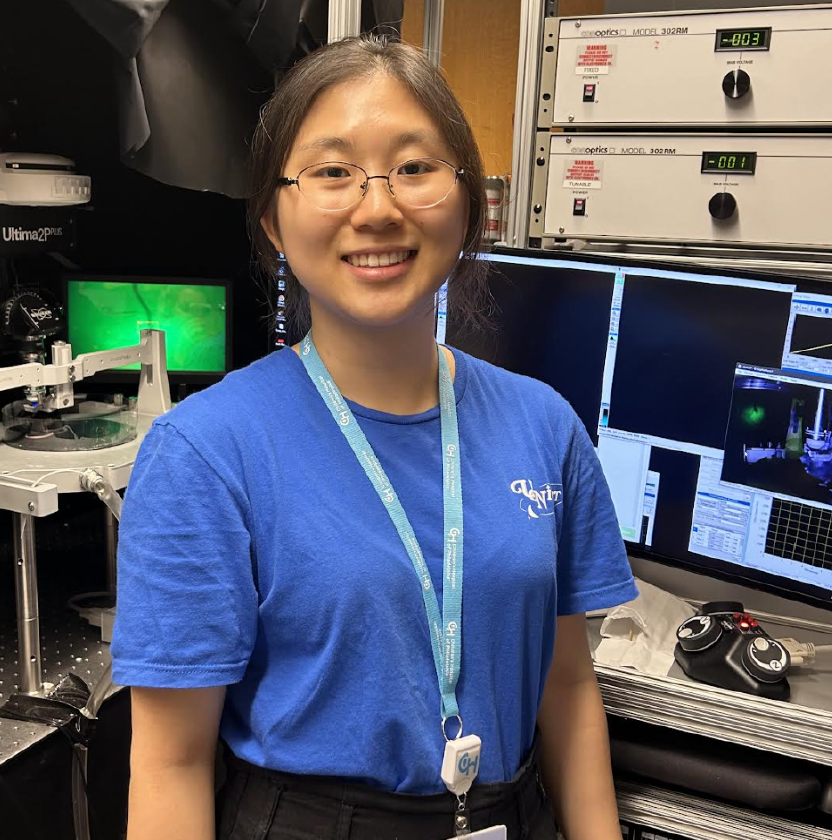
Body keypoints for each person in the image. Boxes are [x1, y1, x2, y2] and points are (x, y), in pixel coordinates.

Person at [112, 35, 639, 840]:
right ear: (273, 222)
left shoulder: (544, 426)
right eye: (331, 172)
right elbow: (169, 763)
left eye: (417, 168)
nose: (378, 206)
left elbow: (565, 688)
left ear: (469, 204)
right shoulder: (205, 453)